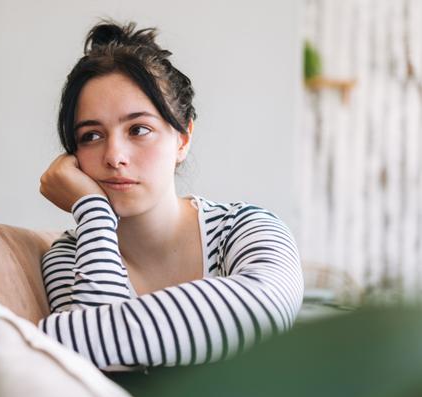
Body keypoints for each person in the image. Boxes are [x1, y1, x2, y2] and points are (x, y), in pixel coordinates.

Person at [36, 20, 304, 374]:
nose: (114, 156)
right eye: (91, 136)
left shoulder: (246, 230)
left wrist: (44, 337)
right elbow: (101, 373)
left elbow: (265, 309)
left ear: (183, 138)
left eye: (139, 129)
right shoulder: (72, 255)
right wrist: (93, 211)